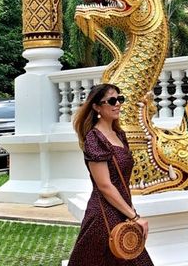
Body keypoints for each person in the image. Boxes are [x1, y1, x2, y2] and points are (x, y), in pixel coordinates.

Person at [68, 83, 153, 266]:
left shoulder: (119, 135)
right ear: (97, 107)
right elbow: (104, 185)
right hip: (104, 216)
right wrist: (135, 217)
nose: (118, 104)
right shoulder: (95, 138)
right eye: (112, 101)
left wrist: (130, 213)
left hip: (121, 212)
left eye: (119, 99)